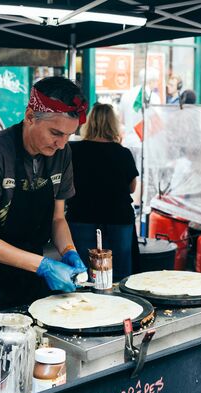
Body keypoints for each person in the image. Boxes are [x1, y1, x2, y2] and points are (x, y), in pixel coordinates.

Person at [0, 76, 88, 355]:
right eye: (55, 133)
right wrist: (44, 266)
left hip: (25, 274)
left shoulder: (62, 155)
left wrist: (69, 251)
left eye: (68, 136)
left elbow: (58, 219)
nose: (61, 144)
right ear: (30, 116)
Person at [66, 103, 139, 281]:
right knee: (120, 274)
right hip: (118, 218)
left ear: (89, 123)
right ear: (113, 125)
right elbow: (132, 188)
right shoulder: (123, 153)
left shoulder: (73, 150)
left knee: (83, 274)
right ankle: (122, 306)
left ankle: (85, 306)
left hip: (81, 215)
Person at [118, 67, 160, 211]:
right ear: (152, 80)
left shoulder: (126, 94)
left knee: (127, 171)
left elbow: (121, 120)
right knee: (141, 174)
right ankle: (137, 205)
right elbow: (156, 122)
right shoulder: (153, 97)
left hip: (129, 140)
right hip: (144, 141)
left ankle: (128, 202)